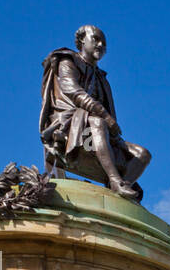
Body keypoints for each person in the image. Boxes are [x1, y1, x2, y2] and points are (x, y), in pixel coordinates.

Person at [40, 26, 151, 200]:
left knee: (142, 154)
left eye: (104, 44)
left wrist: (113, 132)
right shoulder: (68, 61)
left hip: (96, 129)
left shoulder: (101, 78)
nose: (101, 45)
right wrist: (105, 116)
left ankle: (120, 190)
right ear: (82, 40)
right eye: (96, 39)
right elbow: (73, 91)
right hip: (68, 121)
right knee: (97, 122)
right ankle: (115, 181)